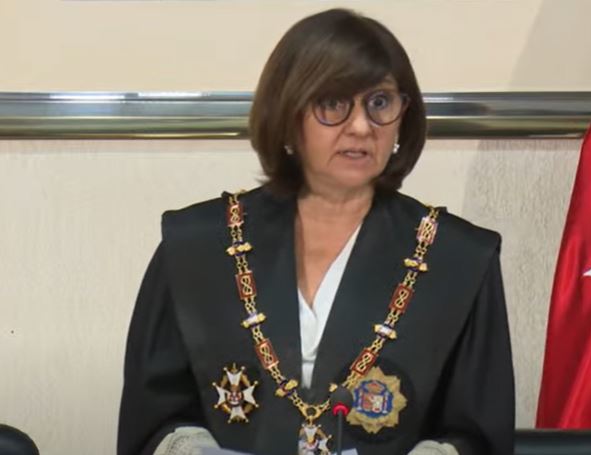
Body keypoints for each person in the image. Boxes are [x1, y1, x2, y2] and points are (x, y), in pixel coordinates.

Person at [117, 8, 514, 455]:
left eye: (380, 103)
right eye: (333, 104)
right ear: (289, 115)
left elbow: (478, 438)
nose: (361, 126)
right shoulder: (196, 246)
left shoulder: (457, 258)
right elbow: (153, 421)